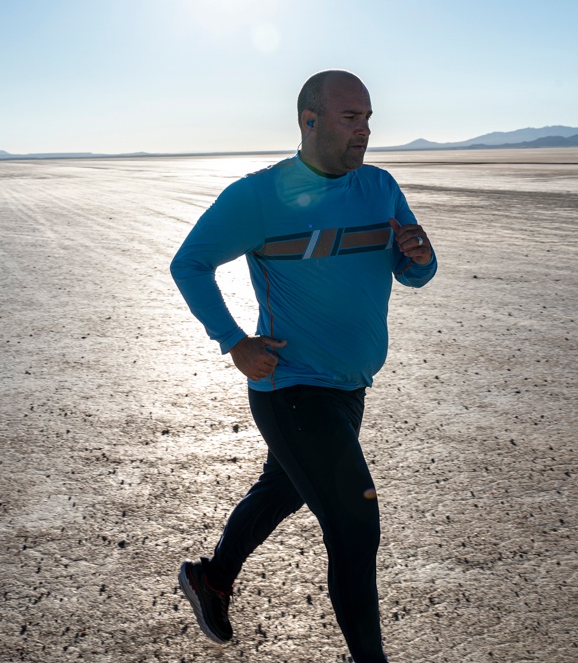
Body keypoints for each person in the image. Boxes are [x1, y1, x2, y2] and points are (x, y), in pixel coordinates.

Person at [170, 69, 437, 663]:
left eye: (368, 118)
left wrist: (420, 257)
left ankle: (211, 578)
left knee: (285, 487)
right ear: (308, 120)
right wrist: (233, 341)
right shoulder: (258, 196)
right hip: (291, 388)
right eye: (351, 118)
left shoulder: (380, 187)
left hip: (350, 386)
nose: (364, 130)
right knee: (354, 523)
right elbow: (188, 264)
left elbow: (414, 269)